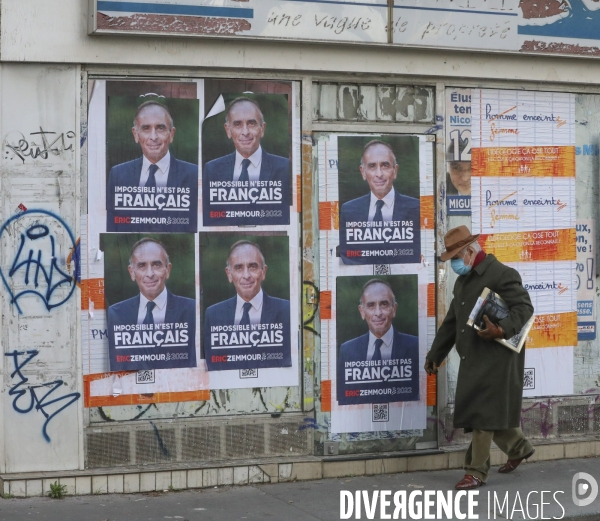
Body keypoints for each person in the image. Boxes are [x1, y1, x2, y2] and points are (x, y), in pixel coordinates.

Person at [424, 225, 535, 490]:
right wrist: (435, 354)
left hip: (497, 356)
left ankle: (475, 472)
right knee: (483, 410)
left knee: (482, 413)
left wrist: (502, 328)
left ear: (470, 251)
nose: (453, 265)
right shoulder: (463, 282)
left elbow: (524, 308)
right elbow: (452, 322)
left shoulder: (502, 274)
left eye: (455, 259)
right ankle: (519, 448)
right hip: (474, 355)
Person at [106, 101, 198, 229]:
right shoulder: (118, 175)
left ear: (171, 134)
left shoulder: (194, 175)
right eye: (146, 129)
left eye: (160, 128)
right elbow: (111, 226)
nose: (153, 137)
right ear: (136, 134)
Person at [337, 279, 419, 404]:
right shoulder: (347, 350)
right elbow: (344, 397)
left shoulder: (415, 346)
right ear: (362, 312)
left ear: (394, 309)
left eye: (384, 304)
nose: (378, 313)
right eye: (371, 305)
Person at [338, 140, 420, 265]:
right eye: (372, 166)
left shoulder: (416, 208)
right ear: (363, 172)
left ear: (395, 170)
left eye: (385, 165)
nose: (379, 174)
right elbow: (346, 258)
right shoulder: (349, 210)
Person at [107, 238, 195, 327]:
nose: (150, 274)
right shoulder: (117, 313)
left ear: (168, 270)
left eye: (156, 265)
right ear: (132, 272)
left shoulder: (192, 309)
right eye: (142, 266)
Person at [203, 240, 290, 330]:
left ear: (263, 271)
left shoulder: (287, 310)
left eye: (252, 267)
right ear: (229, 274)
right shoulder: (213, 314)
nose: (246, 275)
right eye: (238, 268)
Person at [203, 97, 290, 184]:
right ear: (228, 130)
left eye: (252, 123)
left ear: (262, 129)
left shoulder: (286, 167)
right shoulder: (212, 169)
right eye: (237, 124)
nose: (245, 132)